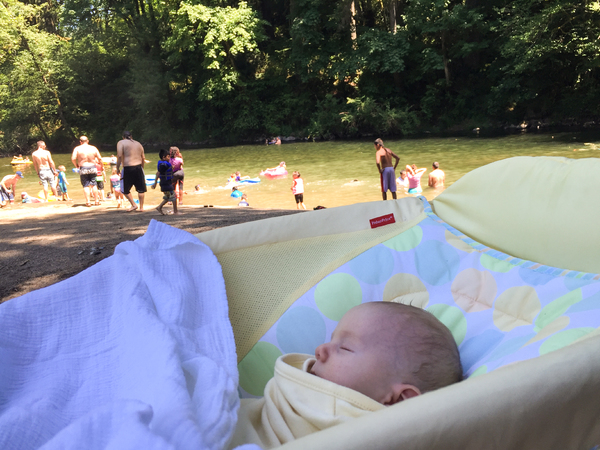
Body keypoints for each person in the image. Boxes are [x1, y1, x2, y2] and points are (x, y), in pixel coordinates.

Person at [229, 302, 462, 449]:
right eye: (332, 339)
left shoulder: (382, 437)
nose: (320, 349)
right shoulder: (295, 382)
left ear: (400, 399)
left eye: (346, 348)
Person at [116, 131, 146, 212]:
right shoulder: (138, 143)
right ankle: (141, 207)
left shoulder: (121, 142)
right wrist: (142, 168)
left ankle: (134, 204)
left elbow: (119, 156)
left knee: (124, 189)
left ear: (123, 137)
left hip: (128, 167)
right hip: (138, 167)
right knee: (141, 189)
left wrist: (117, 168)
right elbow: (143, 157)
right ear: (131, 136)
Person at [71, 136, 102, 207]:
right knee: (94, 184)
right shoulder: (93, 148)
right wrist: (102, 166)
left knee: (86, 185)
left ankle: (88, 202)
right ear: (87, 141)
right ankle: (96, 201)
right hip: (92, 167)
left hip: (83, 167)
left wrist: (76, 165)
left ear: (80, 142)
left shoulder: (77, 148)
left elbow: (73, 158)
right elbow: (100, 158)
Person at [152, 149, 178, 215]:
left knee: (167, 197)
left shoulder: (162, 164)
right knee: (174, 196)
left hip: (164, 183)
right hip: (166, 183)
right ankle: (175, 211)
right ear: (163, 157)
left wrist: (171, 168)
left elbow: (161, 172)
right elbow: (158, 173)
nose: (169, 158)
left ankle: (159, 207)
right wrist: (155, 183)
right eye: (168, 157)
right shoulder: (164, 165)